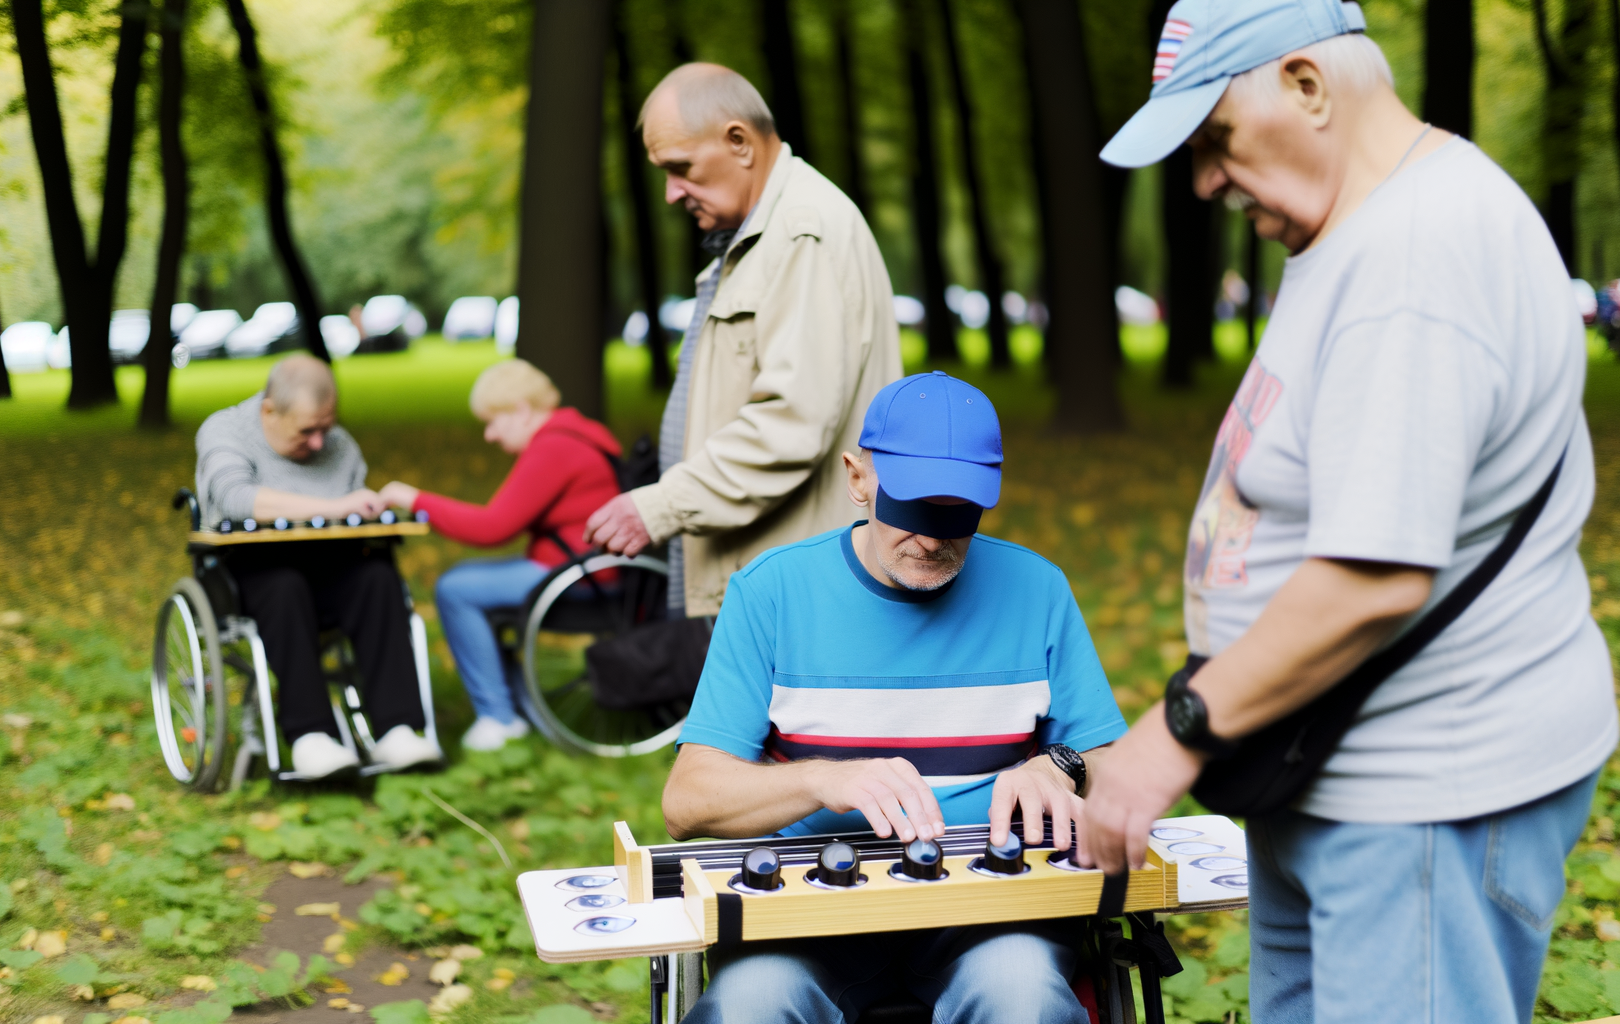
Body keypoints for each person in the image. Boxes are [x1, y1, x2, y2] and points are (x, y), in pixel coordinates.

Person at [1078, 2, 1617, 1022]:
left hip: (1422, 798)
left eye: (1214, 140)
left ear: (1307, 86)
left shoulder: (1413, 258)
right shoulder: (1364, 226)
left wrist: (1169, 737)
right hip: (1327, 771)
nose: (1201, 181)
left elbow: (1374, 576)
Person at [665, 372, 1128, 1024]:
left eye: (958, 514)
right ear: (858, 479)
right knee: (749, 1006)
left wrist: (1063, 766)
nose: (934, 539)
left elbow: (1116, 759)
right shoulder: (771, 593)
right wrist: (823, 780)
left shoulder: (1037, 588)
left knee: (1023, 999)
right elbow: (688, 801)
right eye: (911, 510)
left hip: (991, 914)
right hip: (808, 913)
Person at [584, 63, 901, 618]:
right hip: (771, 578)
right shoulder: (761, 237)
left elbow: (791, 421)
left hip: (801, 593)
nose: (669, 193)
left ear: (739, 142)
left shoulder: (803, 231)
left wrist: (661, 506)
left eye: (680, 168)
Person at [196, 354, 443, 778]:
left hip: (331, 565)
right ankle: (311, 735)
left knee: (378, 578)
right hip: (252, 570)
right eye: (306, 431)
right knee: (285, 586)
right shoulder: (225, 430)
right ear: (269, 409)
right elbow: (236, 499)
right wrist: (333, 506)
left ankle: (397, 728)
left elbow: (352, 510)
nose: (318, 444)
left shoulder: (339, 444)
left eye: (325, 428)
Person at [378, 360, 623, 752]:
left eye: (493, 422)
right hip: (590, 570)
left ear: (521, 410)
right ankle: (508, 707)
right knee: (469, 584)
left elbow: (492, 527)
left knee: (456, 588)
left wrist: (415, 500)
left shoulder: (554, 446)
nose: (489, 435)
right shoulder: (577, 432)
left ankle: (498, 718)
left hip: (579, 578)